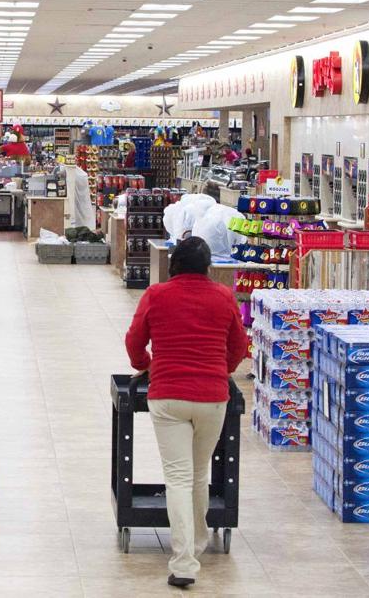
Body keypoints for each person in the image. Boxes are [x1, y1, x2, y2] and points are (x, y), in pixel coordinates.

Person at [124, 237, 249, 590]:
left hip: (168, 396)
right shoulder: (223, 296)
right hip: (212, 399)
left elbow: (134, 341)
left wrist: (147, 365)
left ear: (174, 264)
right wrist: (217, 369)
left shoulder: (156, 295)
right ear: (208, 267)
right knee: (197, 473)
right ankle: (196, 542)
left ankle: (184, 562)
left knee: (177, 477)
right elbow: (239, 345)